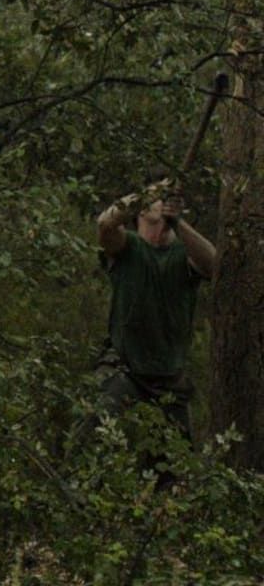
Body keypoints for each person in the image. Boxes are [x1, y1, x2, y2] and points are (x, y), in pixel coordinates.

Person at [93, 179, 218, 440]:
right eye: (157, 197)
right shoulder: (127, 246)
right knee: (98, 437)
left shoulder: (184, 253)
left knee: (173, 471)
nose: (161, 201)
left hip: (168, 378)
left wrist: (177, 222)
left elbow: (213, 265)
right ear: (139, 209)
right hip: (124, 367)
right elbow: (105, 224)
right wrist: (146, 194)